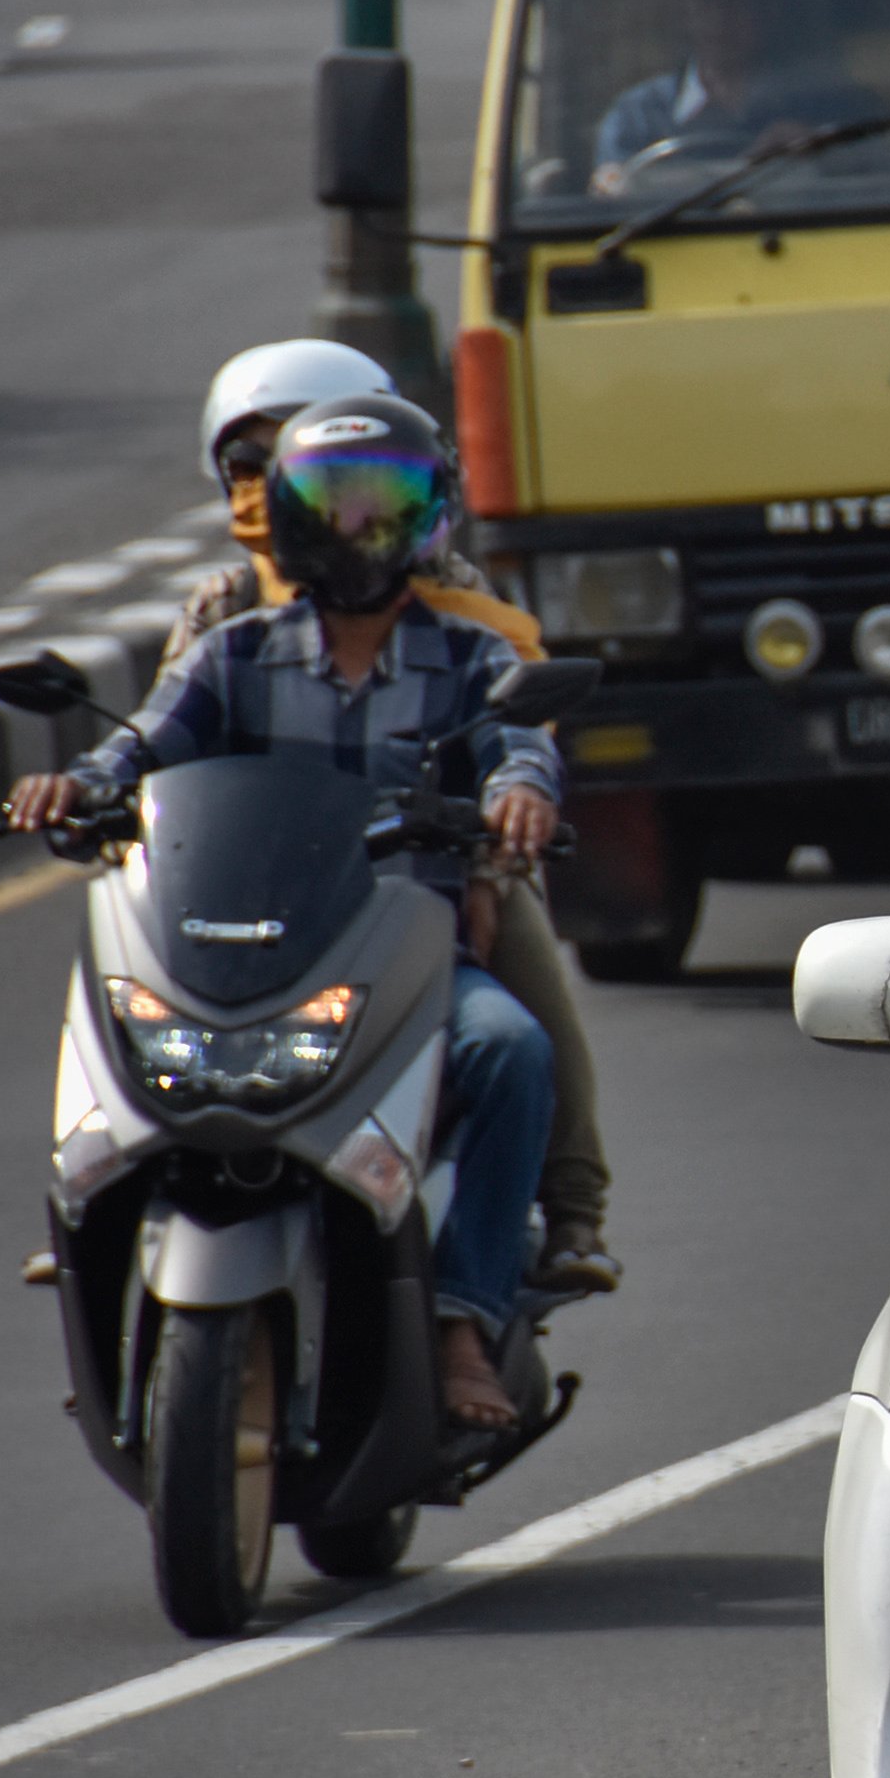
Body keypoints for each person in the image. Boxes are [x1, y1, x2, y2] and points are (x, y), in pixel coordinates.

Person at [6, 397, 561, 1433]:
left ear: (426, 518)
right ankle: (99, 1249)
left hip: (406, 961)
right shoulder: (235, 655)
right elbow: (138, 748)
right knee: (114, 1041)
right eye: (333, 505)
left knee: (514, 1051)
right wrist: (75, 788)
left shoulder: (472, 661)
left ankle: (460, 1321)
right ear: (293, 517)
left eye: (381, 506)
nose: (357, 528)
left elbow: (521, 747)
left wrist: (521, 792)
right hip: (247, 956)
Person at [171, 341, 621, 1296]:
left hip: (426, 892)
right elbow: (154, 753)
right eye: (242, 468)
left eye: (287, 464)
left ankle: (568, 1209)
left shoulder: (454, 612)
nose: (261, 490)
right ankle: (112, 1187)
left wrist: (496, 856)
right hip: (259, 906)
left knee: (521, 1031)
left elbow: (514, 733)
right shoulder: (223, 620)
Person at [589, 0, 885, 194]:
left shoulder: (832, 104)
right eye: (707, 3)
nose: (721, 20)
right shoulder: (638, 116)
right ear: (685, 14)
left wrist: (821, 155)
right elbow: (611, 194)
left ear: (770, 14)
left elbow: (885, 182)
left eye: (740, 3)